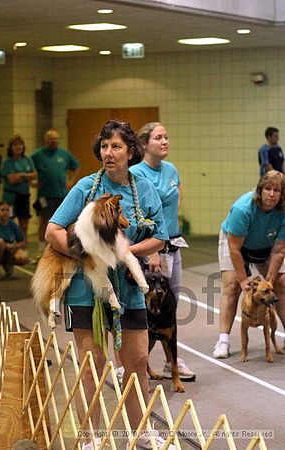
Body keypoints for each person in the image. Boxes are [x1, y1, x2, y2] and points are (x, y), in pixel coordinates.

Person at [45, 120, 174, 450]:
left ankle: (142, 432)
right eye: (104, 146)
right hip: (87, 290)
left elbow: (160, 236)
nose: (108, 153)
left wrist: (125, 252)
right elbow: (53, 231)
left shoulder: (143, 189)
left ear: (131, 152)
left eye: (116, 147)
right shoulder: (86, 188)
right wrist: (86, 253)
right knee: (92, 367)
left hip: (128, 289)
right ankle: (90, 438)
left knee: (138, 362)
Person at [130, 122, 196, 382]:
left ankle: (172, 362)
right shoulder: (137, 173)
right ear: (144, 144)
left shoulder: (171, 170)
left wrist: (170, 236)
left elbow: (174, 202)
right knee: (141, 308)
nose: (165, 141)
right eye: (159, 138)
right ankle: (131, 361)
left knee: (170, 305)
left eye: (166, 137)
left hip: (173, 245)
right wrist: (152, 249)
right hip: (149, 249)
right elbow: (140, 213)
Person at [213, 170, 285, 358]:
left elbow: (279, 251)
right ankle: (223, 341)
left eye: (277, 190)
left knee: (281, 283)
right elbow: (234, 248)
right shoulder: (243, 209)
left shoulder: (283, 211)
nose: (272, 194)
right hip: (237, 244)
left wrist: (269, 280)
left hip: (266, 246)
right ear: (260, 190)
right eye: (268, 189)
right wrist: (244, 281)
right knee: (232, 286)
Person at [31, 129, 80, 258]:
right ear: (46, 140)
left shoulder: (64, 154)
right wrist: (33, 182)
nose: (54, 141)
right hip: (44, 195)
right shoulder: (37, 155)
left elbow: (76, 167)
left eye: (56, 139)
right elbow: (29, 170)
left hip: (61, 194)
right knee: (44, 220)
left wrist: (71, 181)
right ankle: (41, 249)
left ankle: (61, 247)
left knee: (63, 222)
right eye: (51, 139)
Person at [0, 135, 37, 239]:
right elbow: (12, 179)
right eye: (15, 145)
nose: (18, 147)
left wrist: (20, 175)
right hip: (10, 198)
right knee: (9, 222)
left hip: (24, 197)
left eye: (20, 144)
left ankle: (23, 250)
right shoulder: (7, 162)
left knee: (24, 225)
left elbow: (34, 175)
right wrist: (26, 176)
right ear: (11, 147)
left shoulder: (27, 159)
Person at [0, 201, 28, 280]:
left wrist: (14, 246)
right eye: (2, 210)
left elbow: (22, 242)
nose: (5, 212)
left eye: (7, 210)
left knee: (22, 257)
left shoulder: (13, 224)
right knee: (0, 242)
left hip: (8, 252)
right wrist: (5, 245)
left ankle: (7, 266)